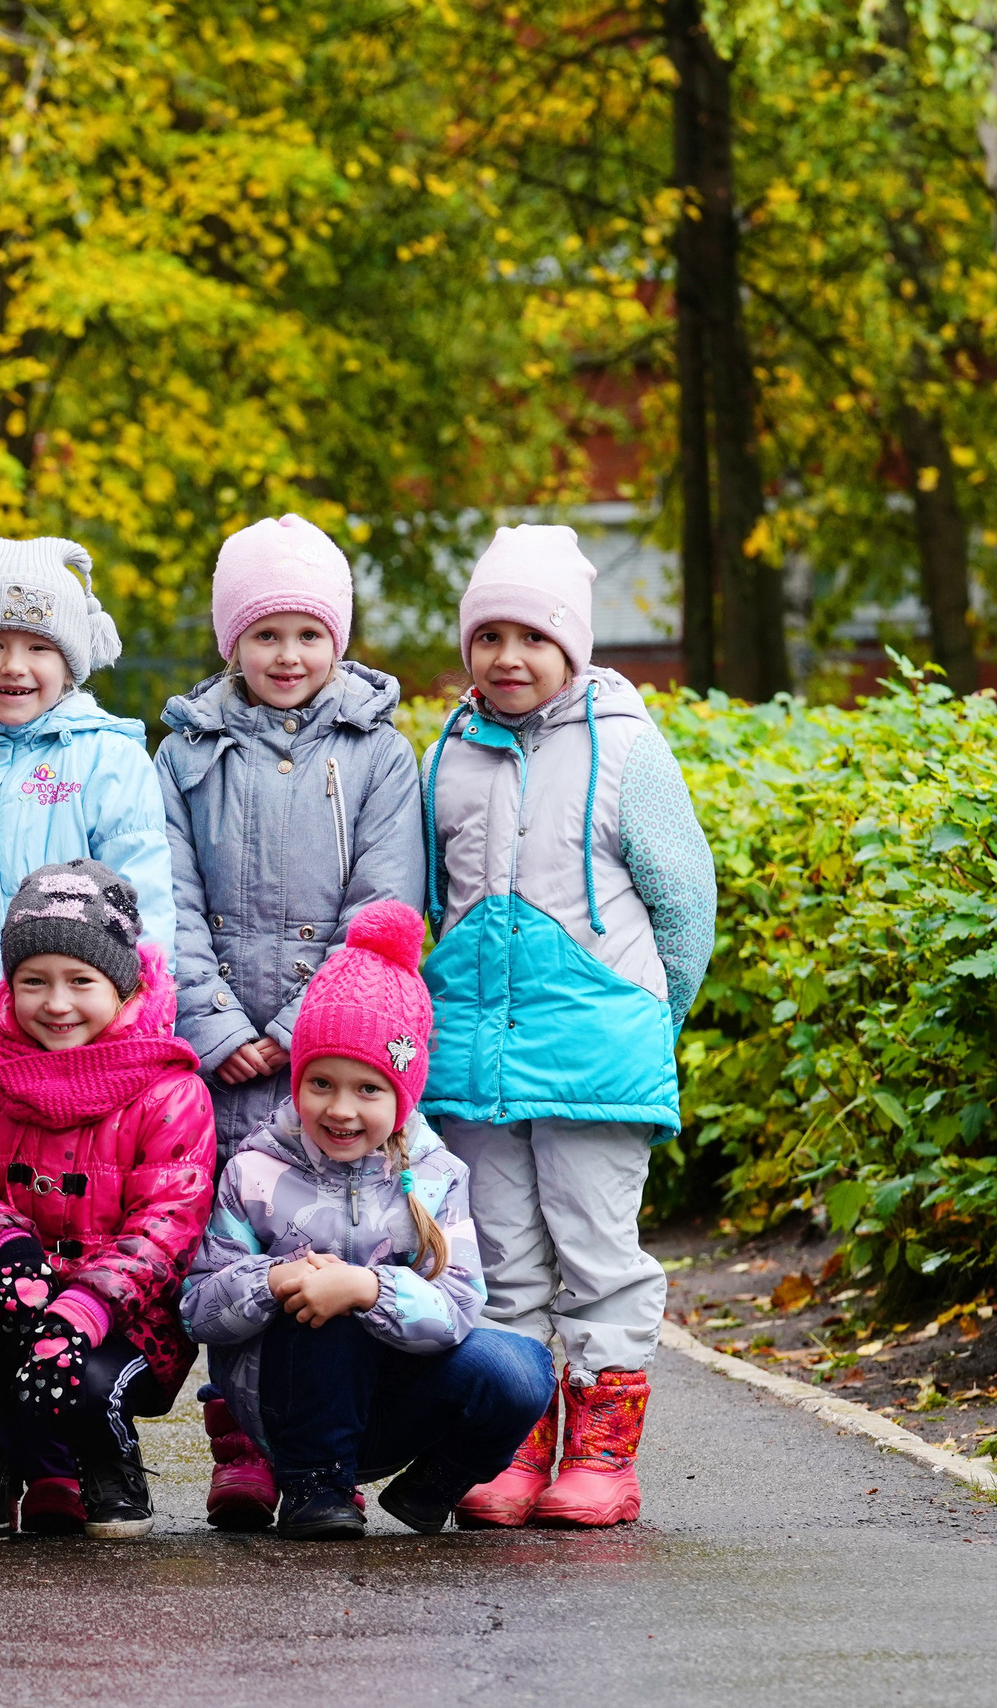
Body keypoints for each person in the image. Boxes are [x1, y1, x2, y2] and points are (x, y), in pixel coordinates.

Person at [419, 526, 716, 1528]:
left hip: (598, 1055)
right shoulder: (447, 755)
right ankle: (511, 1447)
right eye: (488, 636)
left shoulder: (627, 747)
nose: (508, 657)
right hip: (477, 1062)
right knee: (499, 1259)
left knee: (596, 1254)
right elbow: (432, 903)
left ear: (572, 645)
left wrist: (647, 1018)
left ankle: (601, 1456)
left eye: (532, 637)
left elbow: (684, 903)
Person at [154, 515, 426, 1531]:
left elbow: (383, 899)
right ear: (233, 640)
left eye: (309, 634)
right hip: (224, 1053)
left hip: (333, 1050)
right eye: (265, 634)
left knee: (336, 1229)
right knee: (233, 1241)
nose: (287, 656)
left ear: (338, 641)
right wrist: (221, 1024)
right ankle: (239, 1442)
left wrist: (301, 1025)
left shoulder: (378, 753)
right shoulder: (186, 752)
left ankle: (324, 1445)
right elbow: (167, 898)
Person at [182, 899, 555, 1539]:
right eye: (321, 1083)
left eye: (369, 1089)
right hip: (287, 1403)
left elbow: (461, 1304)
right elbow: (197, 1308)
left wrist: (370, 1288)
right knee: (319, 1306)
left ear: (403, 1095)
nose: (341, 1110)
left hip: (396, 1401)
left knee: (523, 1368)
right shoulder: (255, 1171)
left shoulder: (437, 1176)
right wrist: (276, 1280)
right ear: (297, 1081)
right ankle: (315, 1486)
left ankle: (434, 1483)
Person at [0, 861, 215, 1545]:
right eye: (33, 981)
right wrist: (6, 1247)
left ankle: (108, 1464)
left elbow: (166, 1226)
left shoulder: (168, 1089)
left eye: (81, 981)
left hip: (124, 1319)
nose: (56, 1003)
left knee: (88, 1382)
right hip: (15, 1295)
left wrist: (85, 1308)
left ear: (122, 984)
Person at [0, 535, 175, 1147]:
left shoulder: (108, 758)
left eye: (38, 647)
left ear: (70, 660)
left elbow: (143, 897)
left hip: (72, 1010)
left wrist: (145, 1014)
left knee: (70, 1163)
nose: (14, 665)